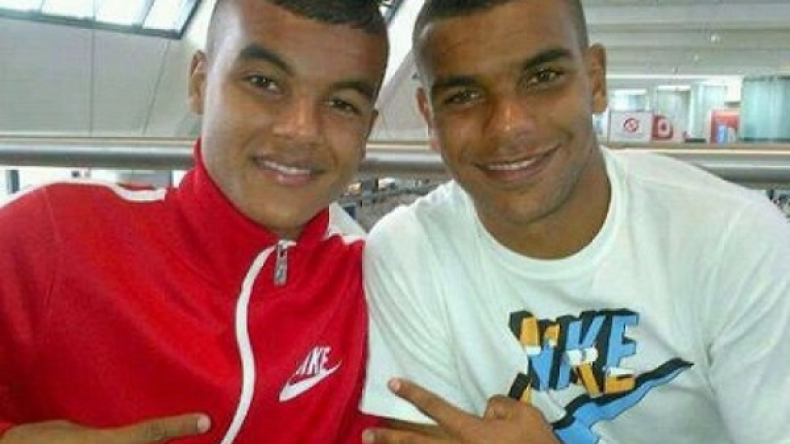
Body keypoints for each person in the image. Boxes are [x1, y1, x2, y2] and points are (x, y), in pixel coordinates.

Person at [359, 0, 790, 443]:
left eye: (543, 77)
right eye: (463, 96)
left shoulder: (735, 239)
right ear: (429, 116)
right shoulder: (410, 250)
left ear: (595, 80)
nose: (508, 126)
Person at [0, 0, 389, 443]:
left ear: (367, 129)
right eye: (264, 82)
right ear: (200, 82)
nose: (301, 129)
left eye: (341, 104)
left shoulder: (383, 288)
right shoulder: (49, 236)